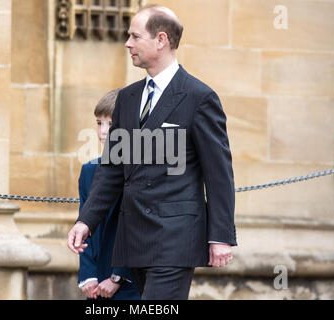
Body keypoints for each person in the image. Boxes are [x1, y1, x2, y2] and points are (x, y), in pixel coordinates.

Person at [68, 4, 237, 300]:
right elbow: (112, 169)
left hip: (176, 238)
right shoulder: (128, 98)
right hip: (133, 237)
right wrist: (86, 221)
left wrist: (220, 236)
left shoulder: (200, 97)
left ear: (161, 40)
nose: (127, 43)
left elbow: (219, 173)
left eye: (135, 37)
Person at [77, 88, 141, 300]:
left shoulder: (139, 171)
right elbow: (85, 225)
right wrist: (88, 276)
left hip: (131, 279)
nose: (103, 131)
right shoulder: (88, 170)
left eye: (110, 124)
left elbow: (138, 229)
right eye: (99, 123)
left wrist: (118, 277)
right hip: (96, 282)